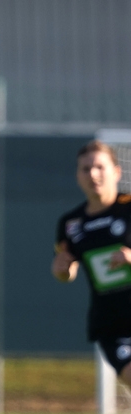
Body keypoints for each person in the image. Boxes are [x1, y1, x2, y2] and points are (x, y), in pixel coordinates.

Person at [52, 140, 131, 385]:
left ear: (116, 172)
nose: (93, 174)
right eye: (86, 169)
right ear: (78, 176)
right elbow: (68, 269)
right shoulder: (71, 223)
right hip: (114, 325)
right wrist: (60, 271)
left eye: (100, 167)